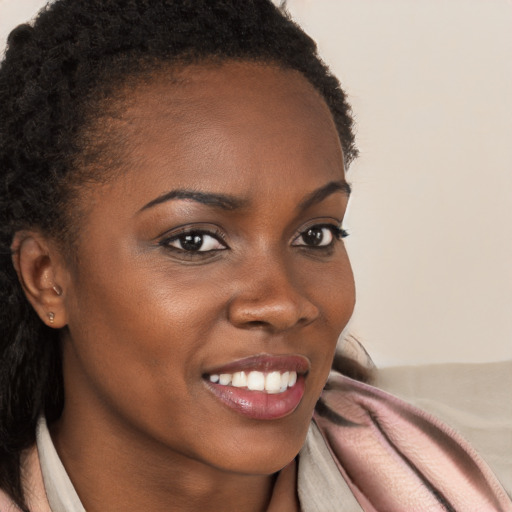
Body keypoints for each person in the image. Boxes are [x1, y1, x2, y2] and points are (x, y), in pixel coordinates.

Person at [0, 1, 510, 511]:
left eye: (316, 235)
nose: (285, 304)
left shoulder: (465, 478)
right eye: (194, 241)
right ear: (46, 276)